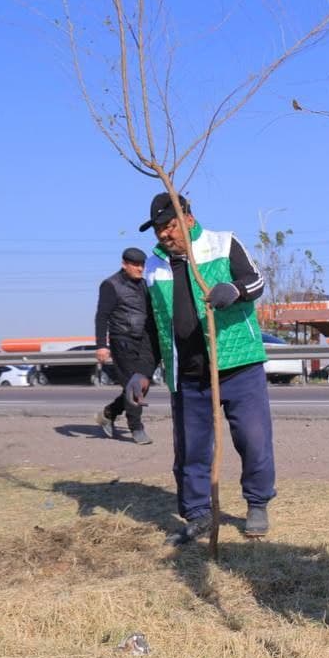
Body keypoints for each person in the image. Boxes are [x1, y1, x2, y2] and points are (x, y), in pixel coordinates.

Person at [125, 193, 276, 544]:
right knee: (192, 451)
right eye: (158, 229)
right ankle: (197, 514)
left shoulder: (223, 244)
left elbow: (256, 282)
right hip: (187, 375)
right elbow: (151, 325)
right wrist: (142, 369)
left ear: (188, 219)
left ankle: (257, 503)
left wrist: (233, 290)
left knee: (253, 441)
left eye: (169, 225)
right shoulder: (153, 266)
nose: (163, 234)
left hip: (238, 365)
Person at [95, 247, 155, 445]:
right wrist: (101, 345)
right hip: (123, 340)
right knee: (134, 385)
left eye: (142, 265)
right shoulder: (110, 285)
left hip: (144, 341)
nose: (140, 269)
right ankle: (136, 428)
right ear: (124, 264)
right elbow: (102, 316)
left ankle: (109, 413)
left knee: (141, 385)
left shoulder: (145, 285)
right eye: (136, 265)